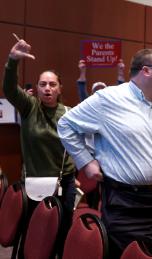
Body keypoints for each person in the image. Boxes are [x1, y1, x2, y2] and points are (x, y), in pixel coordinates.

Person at [58, 49, 152, 258]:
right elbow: (65, 125)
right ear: (145, 70)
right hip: (126, 203)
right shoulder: (108, 99)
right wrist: (86, 161)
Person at [3, 36, 76, 256]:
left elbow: (77, 146)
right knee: (33, 235)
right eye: (43, 84)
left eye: (52, 84)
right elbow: (9, 89)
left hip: (64, 182)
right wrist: (13, 60)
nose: (47, 88)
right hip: (33, 181)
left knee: (60, 233)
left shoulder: (70, 114)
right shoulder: (29, 108)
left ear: (60, 89)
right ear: (37, 87)